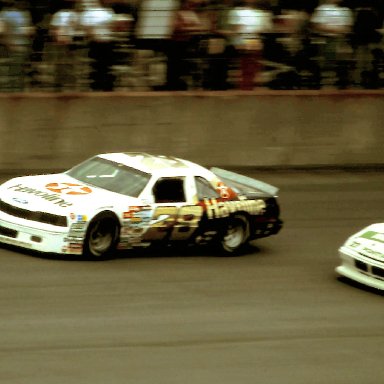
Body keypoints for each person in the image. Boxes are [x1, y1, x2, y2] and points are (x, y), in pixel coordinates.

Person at [229, 0, 274, 90]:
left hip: (255, 41)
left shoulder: (261, 13)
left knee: (252, 67)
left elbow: (266, 28)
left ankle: (248, 86)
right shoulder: (237, 11)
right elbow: (236, 29)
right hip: (243, 41)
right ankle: (246, 86)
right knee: (247, 67)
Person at [310, 0, 354, 88]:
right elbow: (317, 26)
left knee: (343, 66)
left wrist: (330, 28)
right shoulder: (322, 9)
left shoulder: (346, 10)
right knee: (327, 65)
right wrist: (337, 29)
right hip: (326, 40)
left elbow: (347, 28)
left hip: (342, 41)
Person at [79, 0, 117, 91]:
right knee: (99, 65)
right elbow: (88, 29)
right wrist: (95, 37)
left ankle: (103, 86)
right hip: (99, 42)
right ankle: (100, 86)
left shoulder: (107, 12)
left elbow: (112, 26)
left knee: (103, 65)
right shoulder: (90, 13)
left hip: (104, 41)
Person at [0, 0, 34, 91]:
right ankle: (13, 91)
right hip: (14, 46)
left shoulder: (24, 14)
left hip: (20, 46)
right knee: (14, 71)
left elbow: (2, 30)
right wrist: (9, 43)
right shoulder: (6, 14)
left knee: (18, 70)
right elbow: (2, 31)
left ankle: (16, 90)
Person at [49, 0, 81, 90]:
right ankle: (61, 84)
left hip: (67, 41)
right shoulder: (62, 14)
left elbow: (54, 29)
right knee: (63, 64)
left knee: (67, 64)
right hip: (63, 42)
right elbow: (54, 29)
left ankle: (66, 84)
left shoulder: (62, 14)